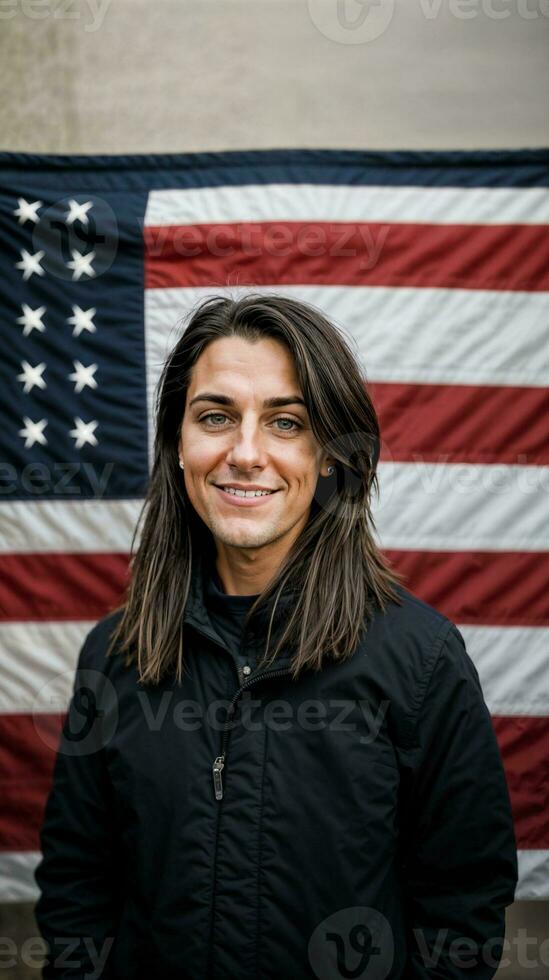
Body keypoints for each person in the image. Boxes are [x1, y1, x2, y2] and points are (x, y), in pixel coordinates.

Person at [34, 293, 518, 979]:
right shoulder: (115, 655)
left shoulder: (419, 660)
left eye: (286, 422)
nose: (245, 453)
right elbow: (78, 886)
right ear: (177, 442)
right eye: (214, 417)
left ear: (328, 455)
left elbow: (462, 903)